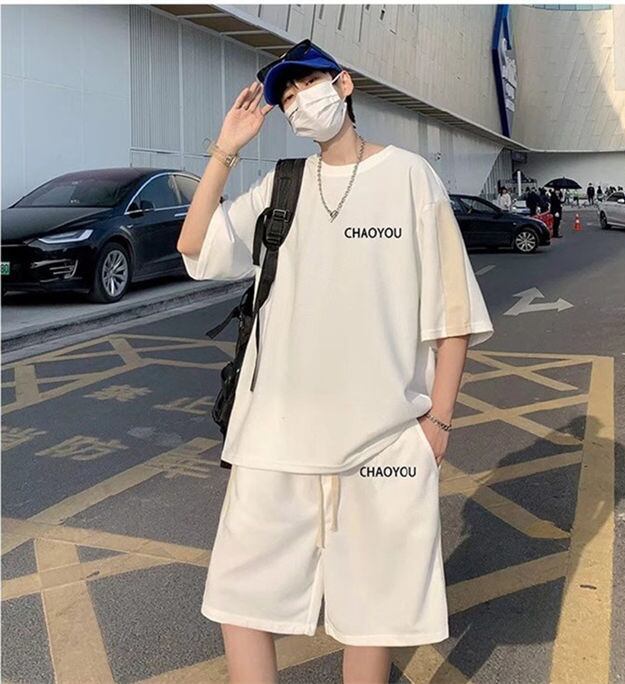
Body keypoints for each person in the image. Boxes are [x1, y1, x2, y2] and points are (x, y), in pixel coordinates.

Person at [177, 39, 493, 684]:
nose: (299, 103)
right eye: (287, 97)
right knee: (241, 601)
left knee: (374, 615)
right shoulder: (282, 184)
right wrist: (225, 150)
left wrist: (438, 424)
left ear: (342, 85)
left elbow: (452, 311)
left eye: (307, 86)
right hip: (272, 439)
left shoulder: (410, 177)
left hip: (382, 442)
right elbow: (195, 247)